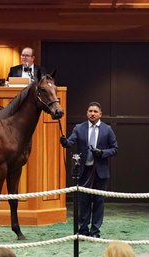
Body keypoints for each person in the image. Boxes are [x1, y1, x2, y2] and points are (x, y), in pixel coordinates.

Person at [60, 101, 118, 238]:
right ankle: (83, 230)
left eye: (95, 111)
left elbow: (115, 149)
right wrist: (64, 142)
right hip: (84, 171)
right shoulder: (79, 128)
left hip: (100, 172)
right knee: (83, 202)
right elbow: (70, 142)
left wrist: (102, 153)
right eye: (90, 111)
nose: (92, 113)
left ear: (100, 114)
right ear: (87, 113)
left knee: (99, 201)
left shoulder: (107, 129)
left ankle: (95, 232)